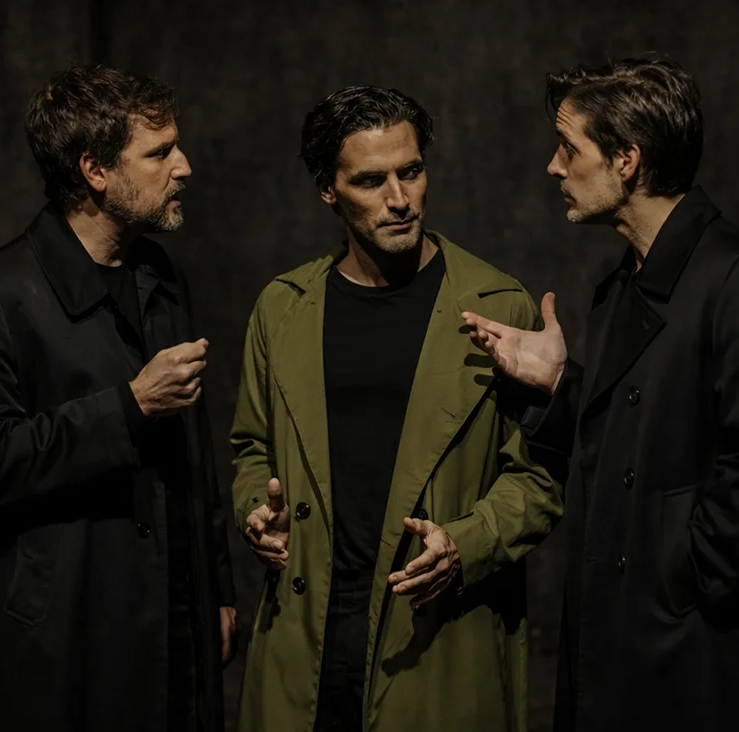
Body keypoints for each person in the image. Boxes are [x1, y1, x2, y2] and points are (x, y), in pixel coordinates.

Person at [462, 58, 739, 731]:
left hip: (700, 643)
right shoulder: (620, 289)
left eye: (569, 148)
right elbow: (637, 437)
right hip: (633, 630)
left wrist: (682, 572)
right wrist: (559, 385)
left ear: (626, 161)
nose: (553, 167)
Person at [230, 86, 564, 731]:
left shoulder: (497, 307)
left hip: (432, 634)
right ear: (328, 190)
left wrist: (464, 544)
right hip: (306, 636)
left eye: (411, 171)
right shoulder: (283, 307)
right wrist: (257, 511)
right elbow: (252, 446)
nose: (399, 199)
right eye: (370, 180)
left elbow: (539, 475)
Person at [0, 65, 237, 731]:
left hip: (172, 619)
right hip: (66, 635)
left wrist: (215, 590)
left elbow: (193, 455)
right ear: (95, 171)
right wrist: (128, 407)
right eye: (159, 153)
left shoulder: (161, 276)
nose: (184, 166)